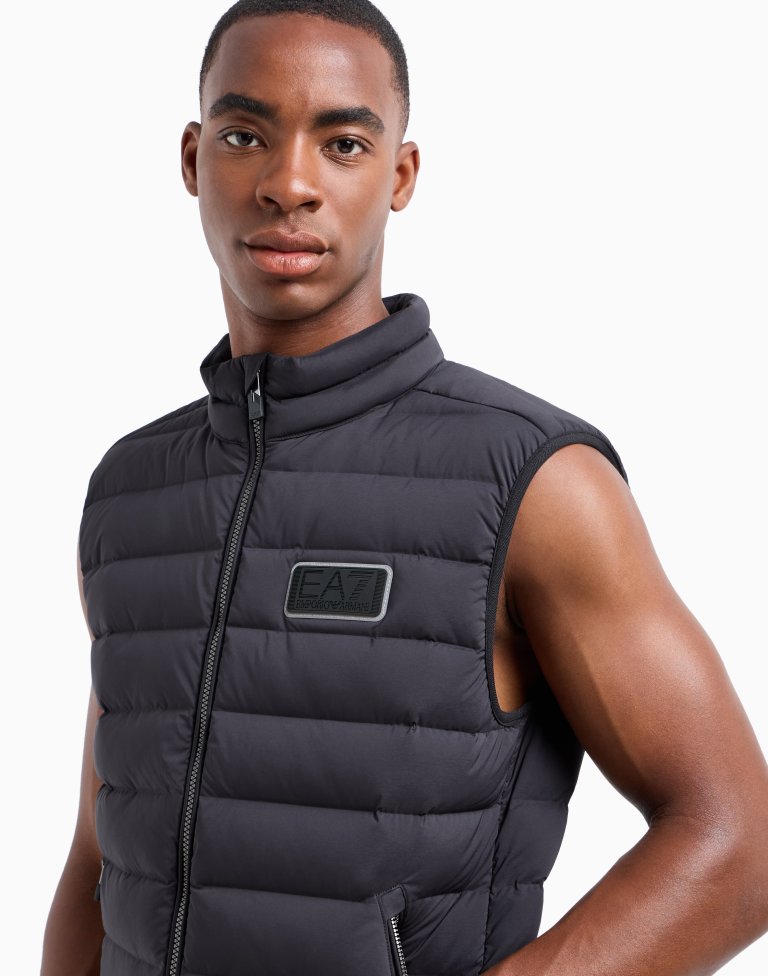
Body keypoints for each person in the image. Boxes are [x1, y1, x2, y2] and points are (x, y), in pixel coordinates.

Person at [41, 2, 768, 974]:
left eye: (342, 143)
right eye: (245, 134)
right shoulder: (130, 493)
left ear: (400, 176)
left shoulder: (532, 481)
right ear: (191, 158)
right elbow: (102, 856)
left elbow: (740, 843)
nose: (289, 184)